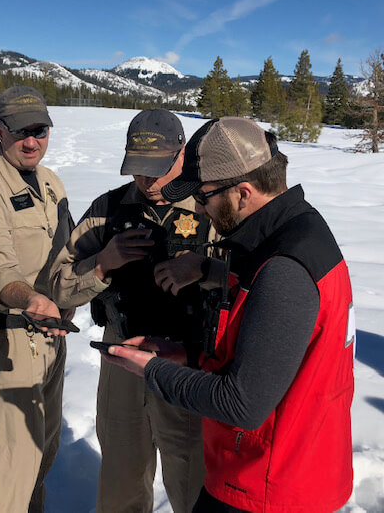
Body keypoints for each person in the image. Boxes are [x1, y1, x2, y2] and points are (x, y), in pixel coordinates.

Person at [104, 117, 354, 513]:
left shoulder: (284, 268)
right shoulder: (295, 230)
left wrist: (152, 370)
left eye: (203, 198)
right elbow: (267, 349)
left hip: (268, 487)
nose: (200, 211)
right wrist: (188, 355)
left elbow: (242, 405)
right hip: (281, 469)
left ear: (243, 192)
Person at [51, 109, 217, 513]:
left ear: (182, 154)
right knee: (122, 478)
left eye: (158, 169)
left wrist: (205, 268)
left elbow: (251, 278)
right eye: (139, 169)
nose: (147, 181)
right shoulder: (107, 211)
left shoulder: (212, 207)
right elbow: (58, 285)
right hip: (121, 358)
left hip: (186, 363)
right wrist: (102, 263)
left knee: (193, 481)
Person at [0, 86, 75, 513]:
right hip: (10, 342)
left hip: (52, 337)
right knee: (13, 471)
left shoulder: (50, 182)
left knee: (42, 454)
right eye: (20, 131)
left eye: (39, 130)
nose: (31, 141)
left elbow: (67, 249)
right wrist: (29, 299)